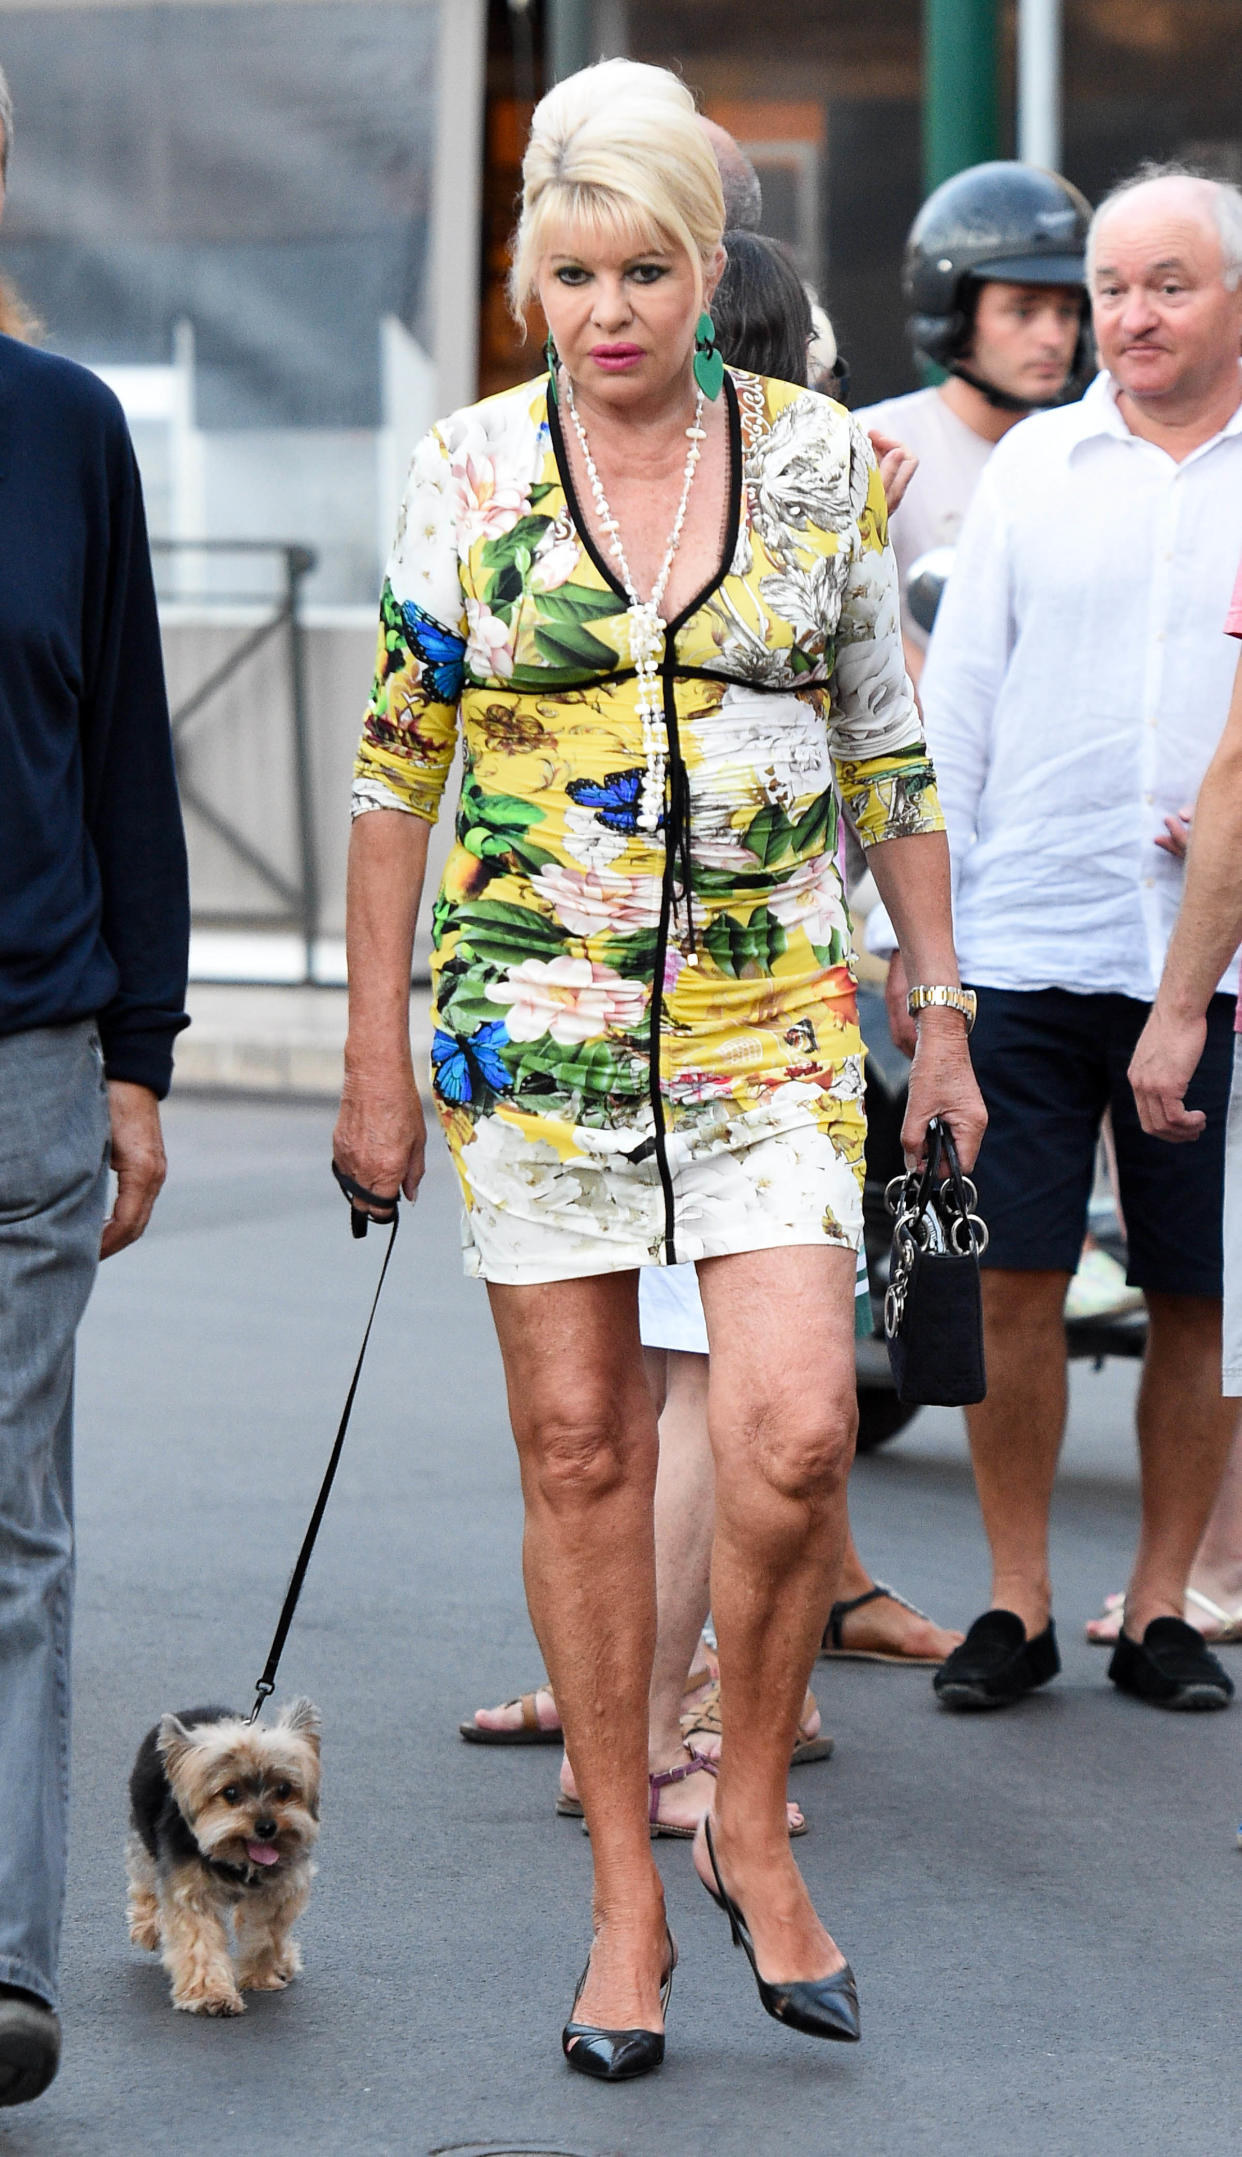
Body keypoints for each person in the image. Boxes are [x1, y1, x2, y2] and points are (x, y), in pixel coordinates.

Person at [334, 57, 984, 2075]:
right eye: (571, 273)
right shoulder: (463, 474)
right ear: (529, 277)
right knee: (587, 1451)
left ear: (710, 274)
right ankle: (631, 1888)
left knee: (795, 1429)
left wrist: (938, 1000)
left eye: (646, 272)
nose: (607, 312)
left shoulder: (813, 463)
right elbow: (389, 780)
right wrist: (375, 1059)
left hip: (773, 1017)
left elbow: (885, 743)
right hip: (530, 1026)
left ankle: (756, 1803)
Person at [917, 166, 1242, 1716]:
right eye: (1109, 288)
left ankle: (1162, 1603)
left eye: (1162, 283)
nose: (1125, 316)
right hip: (1027, 939)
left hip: (1213, 965)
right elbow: (953, 712)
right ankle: (1017, 1598)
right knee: (1011, 1278)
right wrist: (930, 965)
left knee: (1196, 1288)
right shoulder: (1036, 469)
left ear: (1232, 297)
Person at [0, 61, 189, 2104]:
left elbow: (128, 746)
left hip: (24, 1063)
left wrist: (142, 1053)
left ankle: (0, 1967)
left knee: (8, 1529)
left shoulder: (65, 430)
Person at [857, 161, 1090, 692]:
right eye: (1024, 311)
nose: (1054, 337)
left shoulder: (1089, 454)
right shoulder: (876, 443)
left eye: (1069, 311)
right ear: (954, 311)